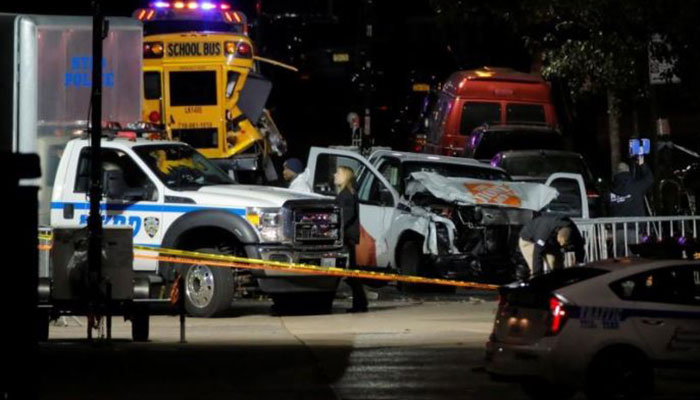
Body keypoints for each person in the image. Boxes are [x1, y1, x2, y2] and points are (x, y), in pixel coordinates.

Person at [335, 166, 367, 312]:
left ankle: (360, 303)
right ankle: (360, 303)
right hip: (348, 236)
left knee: (350, 272)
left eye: (338, 173)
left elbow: (346, 216)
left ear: (345, 176)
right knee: (351, 272)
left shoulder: (346, 195)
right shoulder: (348, 193)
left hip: (346, 237)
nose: (335, 175)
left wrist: (337, 230)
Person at [519, 215, 585, 277]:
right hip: (529, 240)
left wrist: (578, 264)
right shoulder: (544, 232)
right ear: (557, 236)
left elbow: (580, 246)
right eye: (561, 244)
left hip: (550, 241)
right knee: (536, 267)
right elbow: (537, 254)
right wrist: (538, 275)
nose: (562, 248)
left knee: (557, 265)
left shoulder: (573, 230)